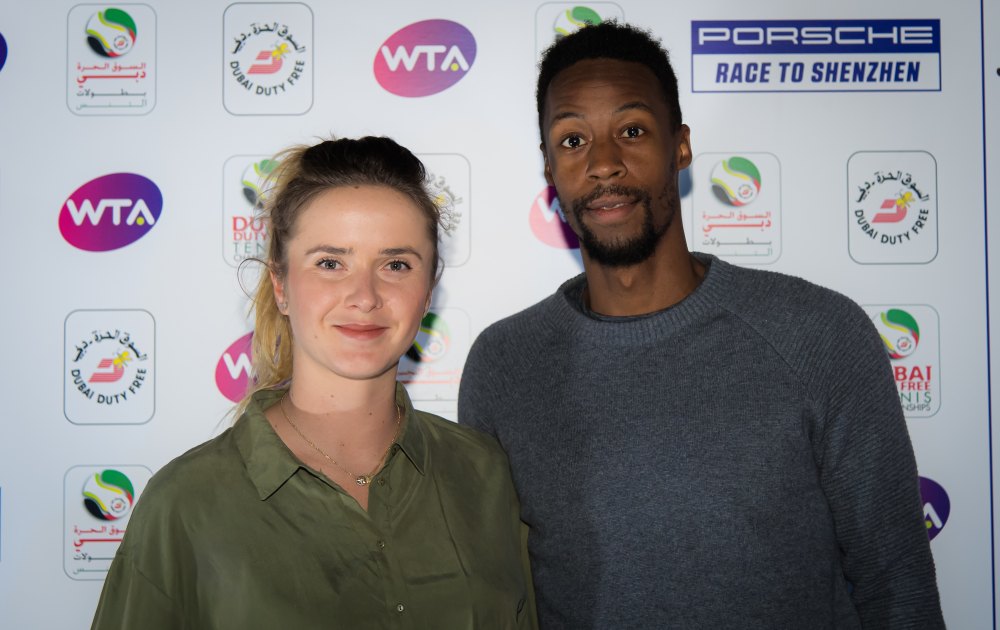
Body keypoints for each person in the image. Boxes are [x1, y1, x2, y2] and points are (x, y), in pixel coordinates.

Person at [458, 22, 943, 629]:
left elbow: (896, 583)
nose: (603, 163)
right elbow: (494, 592)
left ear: (680, 146)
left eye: (631, 131)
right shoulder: (504, 363)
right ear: (550, 169)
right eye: (573, 139)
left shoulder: (818, 333)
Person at [92, 136, 536, 629]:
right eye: (330, 263)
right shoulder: (184, 504)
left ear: (428, 289)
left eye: (396, 265)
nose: (364, 296)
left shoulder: (484, 474)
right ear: (281, 285)